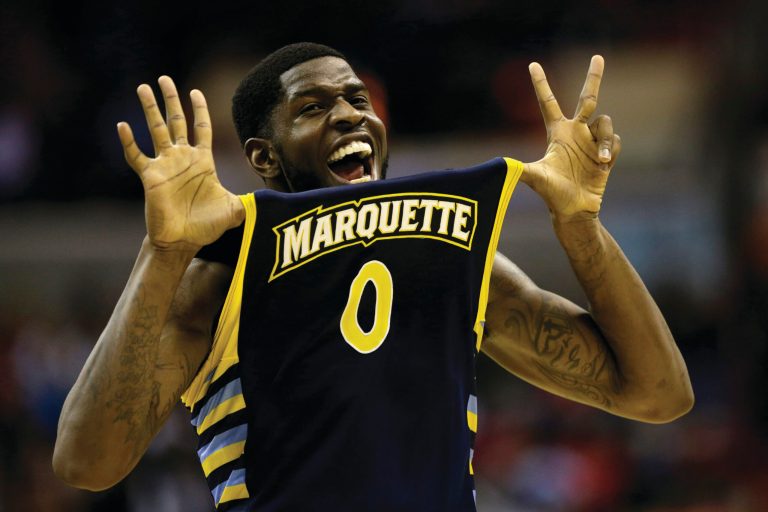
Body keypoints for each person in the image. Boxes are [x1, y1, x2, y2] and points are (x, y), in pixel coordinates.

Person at [53, 43, 693, 510]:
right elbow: (87, 463)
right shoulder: (218, 279)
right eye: (312, 107)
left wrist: (581, 228)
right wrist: (162, 252)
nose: (348, 114)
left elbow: (657, 395)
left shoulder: (451, 264)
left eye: (356, 99)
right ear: (264, 158)